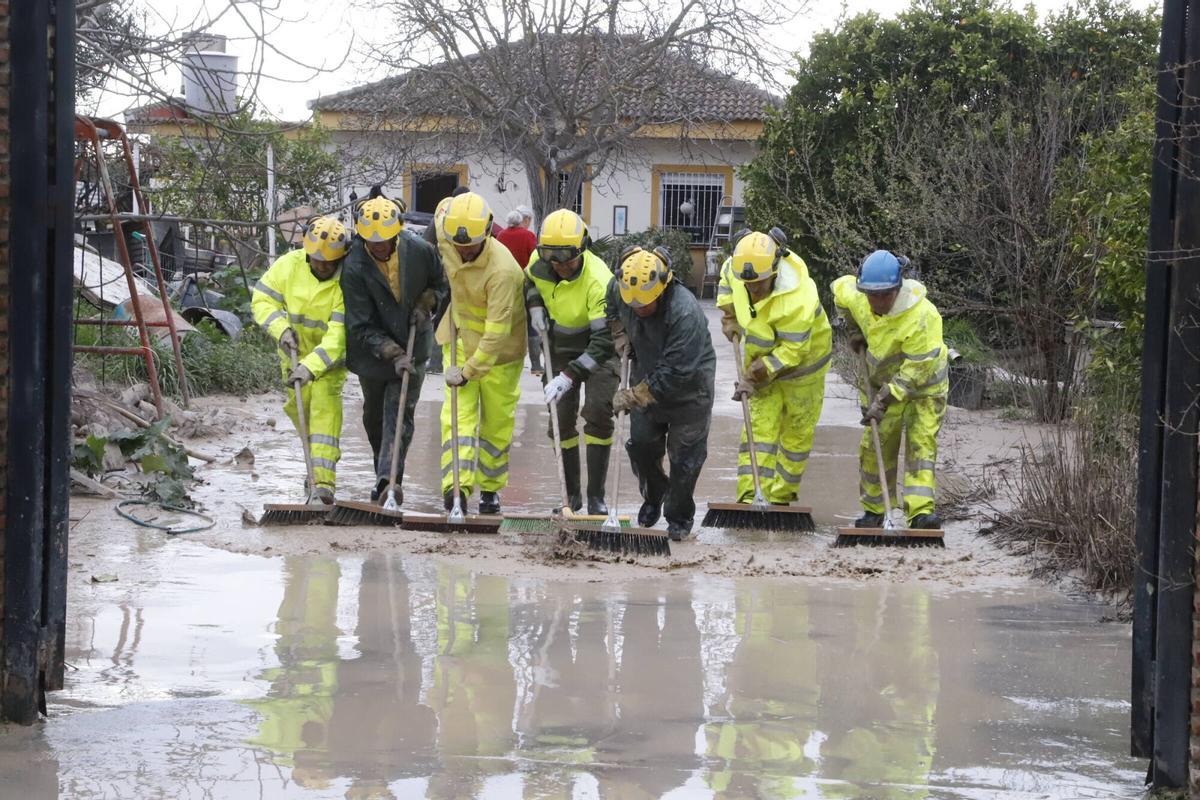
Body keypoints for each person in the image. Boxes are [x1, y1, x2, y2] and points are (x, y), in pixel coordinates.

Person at [831, 250, 948, 530]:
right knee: (875, 446)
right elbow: (838, 289)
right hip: (884, 385)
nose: (876, 301)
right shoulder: (861, 298)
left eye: (883, 295)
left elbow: (915, 372)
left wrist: (883, 400)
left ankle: (920, 514)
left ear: (897, 288)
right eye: (871, 294)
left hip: (924, 389)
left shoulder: (922, 316)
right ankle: (875, 511)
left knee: (920, 446)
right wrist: (852, 327)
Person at [341, 196, 447, 503]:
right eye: (372, 243)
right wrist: (391, 352)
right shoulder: (355, 266)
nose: (379, 248)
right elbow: (360, 324)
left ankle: (390, 482)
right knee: (374, 417)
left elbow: (440, 282)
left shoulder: (420, 250)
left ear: (396, 233)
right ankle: (381, 470)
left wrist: (430, 301)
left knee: (399, 413)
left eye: (384, 242)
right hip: (372, 352)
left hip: (415, 341)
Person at [607, 246, 715, 540]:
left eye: (645, 304)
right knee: (641, 446)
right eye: (634, 304)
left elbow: (677, 373)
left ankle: (679, 515)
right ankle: (654, 494)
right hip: (647, 371)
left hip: (690, 390)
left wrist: (632, 397)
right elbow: (613, 306)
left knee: (684, 460)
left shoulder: (685, 311)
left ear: (663, 287)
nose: (638, 308)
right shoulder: (622, 288)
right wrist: (619, 333)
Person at [717, 229, 831, 504]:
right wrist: (729, 314)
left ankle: (780, 499)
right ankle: (749, 497)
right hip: (761, 359)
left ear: (774, 271)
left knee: (796, 435)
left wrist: (755, 375)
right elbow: (726, 282)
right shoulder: (740, 269)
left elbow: (793, 351)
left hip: (804, 369)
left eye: (759, 284)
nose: (753, 290)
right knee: (757, 431)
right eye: (749, 285)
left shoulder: (798, 299)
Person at [436, 192, 528, 515]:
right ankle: (455, 488)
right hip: (461, 339)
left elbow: (495, 334)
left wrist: (468, 372)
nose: (463, 251)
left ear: (487, 233)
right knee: (456, 419)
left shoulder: (502, 271)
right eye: (457, 245)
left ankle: (490, 491)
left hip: (500, 355)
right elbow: (438, 218)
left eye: (470, 246)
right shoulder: (448, 236)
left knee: (495, 426)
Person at [525, 209, 619, 514]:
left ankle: (596, 497)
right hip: (559, 348)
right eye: (553, 258)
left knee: (598, 412)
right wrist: (535, 303)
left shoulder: (599, 280)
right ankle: (571, 497)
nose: (560, 266)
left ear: (582, 248)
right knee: (560, 420)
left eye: (567, 259)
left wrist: (569, 376)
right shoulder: (541, 264)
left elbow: (604, 341)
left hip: (598, 351)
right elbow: (529, 281)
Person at [251, 216, 350, 503]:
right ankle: (314, 470)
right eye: (316, 261)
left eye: (328, 263)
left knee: (324, 415)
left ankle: (323, 485)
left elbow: (338, 336)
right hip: (292, 358)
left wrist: (312, 367)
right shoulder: (289, 264)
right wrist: (280, 330)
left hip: (328, 365)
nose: (321, 266)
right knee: (303, 416)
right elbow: (262, 300)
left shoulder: (347, 281)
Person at [497, 205, 543, 375]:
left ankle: (502, 358)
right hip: (525, 283)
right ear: (524, 220)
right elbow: (535, 259)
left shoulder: (501, 235)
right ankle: (536, 365)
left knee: (504, 320)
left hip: (504, 284)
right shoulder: (528, 236)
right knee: (532, 324)